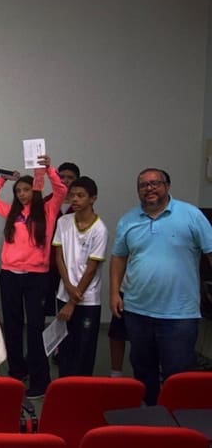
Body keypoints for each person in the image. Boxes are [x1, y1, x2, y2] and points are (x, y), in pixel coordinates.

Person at [110, 168, 212, 405]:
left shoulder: (191, 215)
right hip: (137, 310)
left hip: (179, 314)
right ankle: (150, 417)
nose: (149, 188)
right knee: (143, 369)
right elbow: (118, 258)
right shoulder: (128, 220)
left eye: (155, 183)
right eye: (143, 185)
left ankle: (176, 423)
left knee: (178, 374)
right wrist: (114, 292)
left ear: (167, 186)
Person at [0, 155, 66, 398]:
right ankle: (17, 371)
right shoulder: (12, 212)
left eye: (26, 189)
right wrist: (3, 177)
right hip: (10, 275)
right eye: (18, 190)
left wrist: (49, 168)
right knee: (12, 325)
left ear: (35, 189)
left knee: (35, 329)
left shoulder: (48, 210)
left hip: (36, 277)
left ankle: (40, 380)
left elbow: (61, 189)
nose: (22, 194)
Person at [53, 176, 107, 377]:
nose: (74, 199)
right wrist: (67, 286)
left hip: (87, 300)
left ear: (92, 199)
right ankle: (63, 389)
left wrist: (72, 301)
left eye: (80, 196)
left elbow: (91, 268)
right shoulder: (63, 222)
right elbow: (59, 257)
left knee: (83, 351)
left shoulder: (100, 230)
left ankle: (82, 393)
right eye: (72, 195)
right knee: (65, 347)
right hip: (64, 293)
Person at [44, 162, 80, 317]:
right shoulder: (46, 202)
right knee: (46, 309)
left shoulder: (81, 206)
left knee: (70, 308)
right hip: (48, 263)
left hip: (73, 265)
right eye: (62, 177)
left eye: (70, 178)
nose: (65, 180)